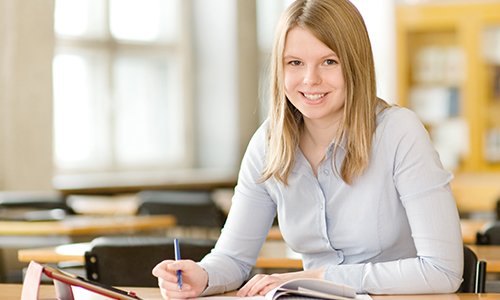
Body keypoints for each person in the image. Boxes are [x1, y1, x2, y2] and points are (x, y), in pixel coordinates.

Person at [152, 0, 463, 298]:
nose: (310, 79)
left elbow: (442, 271)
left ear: (355, 65)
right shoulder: (268, 144)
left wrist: (319, 278)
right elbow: (233, 258)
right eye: (295, 63)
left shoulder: (398, 132)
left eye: (329, 62)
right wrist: (202, 276)